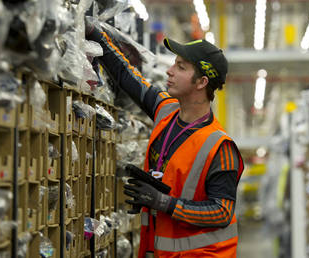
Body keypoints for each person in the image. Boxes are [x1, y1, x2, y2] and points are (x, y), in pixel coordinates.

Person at [86, 20, 244, 258]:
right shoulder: (166, 110)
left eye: (181, 67)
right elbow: (128, 76)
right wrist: (95, 34)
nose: (169, 71)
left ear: (202, 83)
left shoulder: (220, 146)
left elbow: (221, 212)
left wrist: (165, 202)